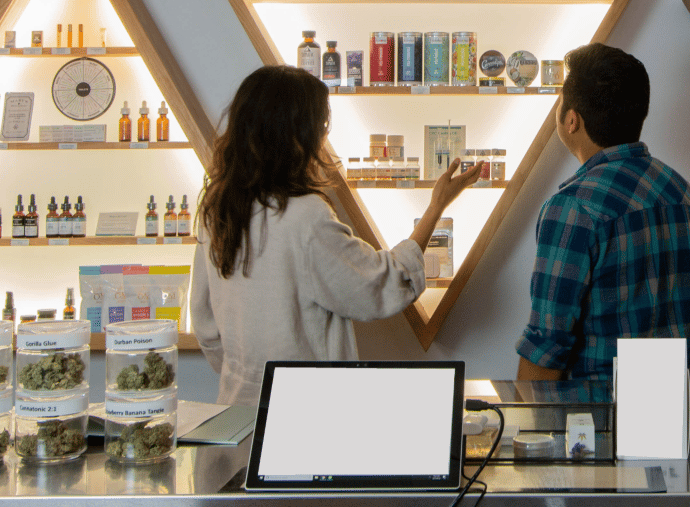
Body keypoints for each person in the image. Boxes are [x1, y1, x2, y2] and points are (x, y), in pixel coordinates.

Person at [190, 64, 482, 406]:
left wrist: (245, 376)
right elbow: (382, 283)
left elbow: (206, 324)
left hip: (237, 407)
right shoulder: (304, 217)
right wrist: (436, 207)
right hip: (306, 410)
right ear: (299, 134)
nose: (323, 137)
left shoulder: (219, 207)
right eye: (321, 125)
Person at [515, 42, 690, 403]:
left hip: (594, 432)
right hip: (676, 418)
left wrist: (521, 425)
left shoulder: (572, 209)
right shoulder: (688, 198)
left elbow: (547, 343)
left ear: (571, 119)